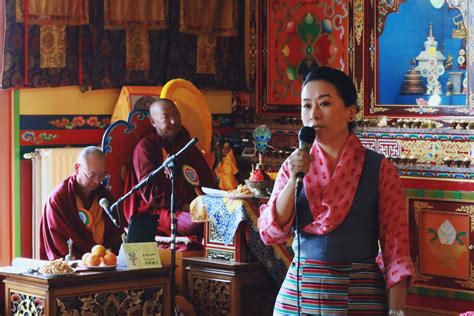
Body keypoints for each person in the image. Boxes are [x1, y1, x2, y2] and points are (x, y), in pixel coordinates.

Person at [258, 67, 415, 315]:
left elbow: (396, 252)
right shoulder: (293, 165)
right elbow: (270, 234)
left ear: (350, 111)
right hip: (298, 296)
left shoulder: (380, 169)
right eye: (306, 106)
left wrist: (397, 312)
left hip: (360, 294)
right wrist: (292, 181)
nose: (314, 115)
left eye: (324, 103)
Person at [124, 98, 218, 249]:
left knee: (220, 216)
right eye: (166, 117)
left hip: (191, 206)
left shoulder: (185, 143)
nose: (174, 121)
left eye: (176, 115)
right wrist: (183, 206)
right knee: (196, 224)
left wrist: (214, 202)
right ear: (153, 122)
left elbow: (205, 178)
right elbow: (150, 194)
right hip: (160, 210)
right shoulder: (146, 148)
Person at [39, 146, 123, 260]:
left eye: (102, 175)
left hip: (101, 263)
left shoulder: (104, 196)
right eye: (91, 174)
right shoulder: (60, 198)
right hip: (72, 266)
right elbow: (58, 243)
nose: (97, 181)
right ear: (77, 168)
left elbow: (115, 237)